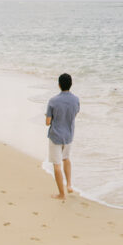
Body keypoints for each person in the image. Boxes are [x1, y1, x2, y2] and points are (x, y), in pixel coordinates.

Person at [45, 72, 80, 200]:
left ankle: (61, 194)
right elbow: (75, 114)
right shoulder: (76, 100)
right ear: (71, 85)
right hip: (69, 135)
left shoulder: (53, 101)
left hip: (56, 136)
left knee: (57, 164)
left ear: (59, 85)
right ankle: (69, 185)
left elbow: (48, 122)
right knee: (66, 159)